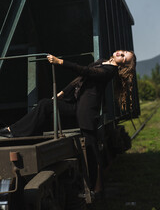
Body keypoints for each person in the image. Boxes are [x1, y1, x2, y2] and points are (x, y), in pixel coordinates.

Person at [0, 50, 136, 193]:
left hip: (87, 113)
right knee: (45, 104)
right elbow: (79, 78)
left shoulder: (110, 71)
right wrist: (61, 94)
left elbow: (86, 71)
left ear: (123, 65)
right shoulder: (102, 61)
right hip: (75, 106)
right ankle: (13, 131)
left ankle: (96, 189)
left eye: (123, 57)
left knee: (92, 153)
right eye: (123, 52)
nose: (120, 54)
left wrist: (60, 62)